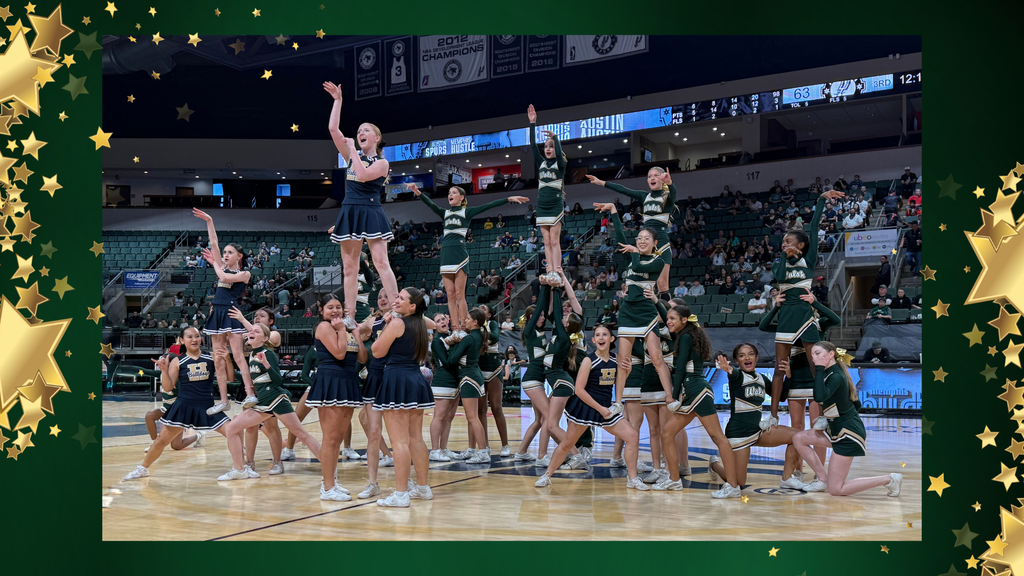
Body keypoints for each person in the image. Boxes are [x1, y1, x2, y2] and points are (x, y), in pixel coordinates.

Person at [765, 189, 844, 432]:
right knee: (779, 368)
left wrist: (821, 200)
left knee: (815, 366)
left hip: (806, 317)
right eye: (783, 242)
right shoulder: (782, 263)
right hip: (786, 317)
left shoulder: (808, 259)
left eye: (788, 242)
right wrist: (782, 256)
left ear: (801, 244)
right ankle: (773, 415)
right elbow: (778, 278)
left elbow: (812, 228)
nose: (785, 244)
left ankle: (824, 413)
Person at [323, 81, 399, 331]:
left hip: (370, 210)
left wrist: (353, 150)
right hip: (350, 209)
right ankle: (349, 314)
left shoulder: (383, 162)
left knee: (380, 261)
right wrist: (338, 101)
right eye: (358, 130)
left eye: (365, 130)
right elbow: (333, 128)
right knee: (349, 267)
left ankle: (397, 309)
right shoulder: (351, 154)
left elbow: (364, 175)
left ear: (376, 138)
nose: (360, 132)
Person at [534, 325, 649, 491]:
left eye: (605, 335)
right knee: (567, 444)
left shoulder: (616, 359)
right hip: (585, 406)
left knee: (632, 436)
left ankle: (633, 479)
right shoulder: (589, 360)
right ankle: (546, 475)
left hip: (605, 407)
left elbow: (618, 382)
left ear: (612, 339)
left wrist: (622, 387)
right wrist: (600, 409)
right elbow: (579, 390)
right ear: (593, 340)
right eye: (597, 335)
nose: (601, 338)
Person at [594, 203, 674, 422]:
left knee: (657, 358)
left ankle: (669, 396)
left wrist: (635, 252)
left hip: (647, 312)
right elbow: (621, 237)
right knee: (622, 360)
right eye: (639, 237)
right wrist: (613, 212)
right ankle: (618, 402)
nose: (641, 240)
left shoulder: (658, 261)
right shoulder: (633, 255)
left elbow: (639, 268)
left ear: (655, 243)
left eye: (646, 238)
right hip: (628, 312)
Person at [411, 183, 526, 334]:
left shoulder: (467, 212)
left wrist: (509, 198)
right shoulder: (444, 213)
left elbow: (489, 205)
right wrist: (417, 192)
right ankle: (455, 329)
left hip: (459, 254)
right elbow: (430, 204)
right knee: (450, 295)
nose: (450, 195)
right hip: (446, 255)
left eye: (453, 192)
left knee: (460, 294)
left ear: (461, 197)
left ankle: (466, 328)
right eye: (449, 193)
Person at [792, 342, 903, 496]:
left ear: (831, 354)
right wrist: (832, 417)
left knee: (836, 489)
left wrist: (818, 369)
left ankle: (889, 479)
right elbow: (856, 404)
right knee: (799, 438)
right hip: (835, 430)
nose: (813, 357)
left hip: (847, 434)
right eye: (811, 355)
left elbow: (819, 397)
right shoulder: (833, 372)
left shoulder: (835, 375)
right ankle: (822, 478)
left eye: (817, 353)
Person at [122, 326, 234, 481]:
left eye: (197, 336)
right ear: (182, 340)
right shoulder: (177, 362)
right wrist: (163, 371)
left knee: (233, 432)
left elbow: (230, 378)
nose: (194, 339)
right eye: (190, 337)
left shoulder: (212, 357)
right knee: (161, 441)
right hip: (183, 406)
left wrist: (227, 359)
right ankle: (142, 469)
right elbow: (168, 387)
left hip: (207, 406)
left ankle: (242, 466)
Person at [216, 323, 325, 481]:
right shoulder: (253, 353)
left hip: (276, 399)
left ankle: (328, 464)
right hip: (262, 402)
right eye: (251, 330)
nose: (251, 332)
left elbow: (278, 380)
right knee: (232, 428)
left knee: (301, 433)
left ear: (265, 338)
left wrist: (266, 364)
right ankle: (240, 469)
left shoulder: (268, 353)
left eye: (257, 331)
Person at [656, 303, 740, 498]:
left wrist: (672, 396)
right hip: (694, 390)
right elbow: (681, 369)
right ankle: (674, 479)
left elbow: (681, 370)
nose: (668, 321)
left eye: (672, 319)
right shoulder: (686, 335)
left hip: (696, 391)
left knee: (718, 437)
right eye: (667, 318)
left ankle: (733, 486)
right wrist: (655, 301)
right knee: (667, 433)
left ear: (684, 320)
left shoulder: (685, 338)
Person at [758, 290, 839, 488]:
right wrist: (776, 307)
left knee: (817, 430)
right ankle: (798, 469)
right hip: (795, 381)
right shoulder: (787, 327)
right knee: (797, 429)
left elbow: (835, 319)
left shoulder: (817, 324)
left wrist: (816, 302)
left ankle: (819, 474)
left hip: (815, 380)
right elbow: (763, 325)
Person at [693, 345, 800, 495]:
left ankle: (787, 478)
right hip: (739, 433)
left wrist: (788, 376)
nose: (747, 358)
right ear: (737, 360)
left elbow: (780, 396)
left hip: (758, 430)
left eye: (751, 354)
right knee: (739, 483)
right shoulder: (737, 377)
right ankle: (715, 465)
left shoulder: (762, 378)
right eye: (742, 356)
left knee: (797, 436)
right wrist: (728, 368)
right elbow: (733, 373)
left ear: (757, 357)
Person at [371, 288, 435, 507]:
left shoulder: (397, 324)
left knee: (399, 442)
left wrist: (387, 325)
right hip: (416, 380)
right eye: (396, 296)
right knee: (416, 438)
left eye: (401, 298)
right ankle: (424, 489)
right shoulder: (420, 325)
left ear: (413, 306)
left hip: (397, 379)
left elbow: (377, 351)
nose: (395, 300)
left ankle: (400, 495)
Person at [193, 209, 258, 415]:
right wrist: (210, 221)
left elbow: (224, 277)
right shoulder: (221, 267)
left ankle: (249, 393)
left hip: (231, 313)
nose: (226, 255)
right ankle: (223, 400)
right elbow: (214, 243)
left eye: (230, 252)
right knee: (218, 358)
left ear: (239, 256)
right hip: (216, 313)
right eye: (225, 252)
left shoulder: (244, 273)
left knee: (238, 357)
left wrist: (215, 264)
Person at [305, 293, 368, 502]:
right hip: (331, 381)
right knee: (331, 438)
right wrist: (342, 329)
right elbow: (340, 354)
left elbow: (362, 357)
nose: (335, 310)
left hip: (348, 381)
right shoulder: (324, 328)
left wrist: (356, 332)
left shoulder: (345, 329)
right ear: (321, 310)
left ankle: (331, 482)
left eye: (338, 306)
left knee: (338, 439)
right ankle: (327, 487)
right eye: (330, 307)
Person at [587, 167, 676, 295]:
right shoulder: (644, 196)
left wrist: (670, 183)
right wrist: (601, 182)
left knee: (662, 285)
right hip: (646, 245)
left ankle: (667, 314)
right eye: (649, 176)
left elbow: (673, 195)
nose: (652, 178)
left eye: (656, 175)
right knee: (646, 285)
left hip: (661, 244)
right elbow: (623, 189)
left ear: (662, 178)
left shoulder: (666, 199)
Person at [436, 308, 491, 464]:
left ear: (475, 322)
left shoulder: (468, 338)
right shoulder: (477, 335)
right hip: (472, 375)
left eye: (467, 318)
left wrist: (451, 343)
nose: (464, 320)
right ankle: (475, 450)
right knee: (473, 417)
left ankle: (483, 452)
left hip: (469, 377)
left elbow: (452, 360)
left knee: (473, 417)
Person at [527, 104, 568, 282]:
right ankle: (549, 270)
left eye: (551, 146)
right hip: (542, 205)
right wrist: (532, 124)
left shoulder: (561, 164)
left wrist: (556, 138)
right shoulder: (541, 163)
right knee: (545, 241)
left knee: (554, 240)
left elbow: (559, 154)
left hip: (555, 204)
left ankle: (557, 271)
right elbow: (532, 146)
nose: (548, 149)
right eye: (546, 146)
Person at [476, 305, 511, 457]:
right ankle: (485, 445)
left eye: (483, 308)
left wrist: (479, 332)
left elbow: (495, 337)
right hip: (478, 367)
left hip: (494, 367)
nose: (480, 309)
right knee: (481, 409)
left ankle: (505, 445)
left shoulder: (492, 324)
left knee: (496, 407)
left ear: (488, 315)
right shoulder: (474, 326)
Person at [429, 313, 460, 462]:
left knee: (449, 417)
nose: (442, 322)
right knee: (439, 416)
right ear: (434, 325)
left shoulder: (452, 336)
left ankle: (444, 448)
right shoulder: (436, 341)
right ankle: (434, 451)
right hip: (443, 381)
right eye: (438, 321)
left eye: (443, 319)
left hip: (455, 380)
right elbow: (447, 362)